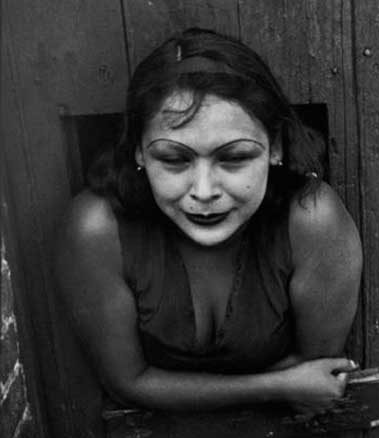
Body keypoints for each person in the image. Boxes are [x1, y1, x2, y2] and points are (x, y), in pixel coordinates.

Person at [55, 28, 363, 414]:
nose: (203, 190)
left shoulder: (311, 221)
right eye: (173, 159)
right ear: (138, 151)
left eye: (234, 158)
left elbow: (316, 371)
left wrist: (291, 384)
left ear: (276, 147)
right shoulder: (98, 228)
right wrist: (278, 386)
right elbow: (126, 382)